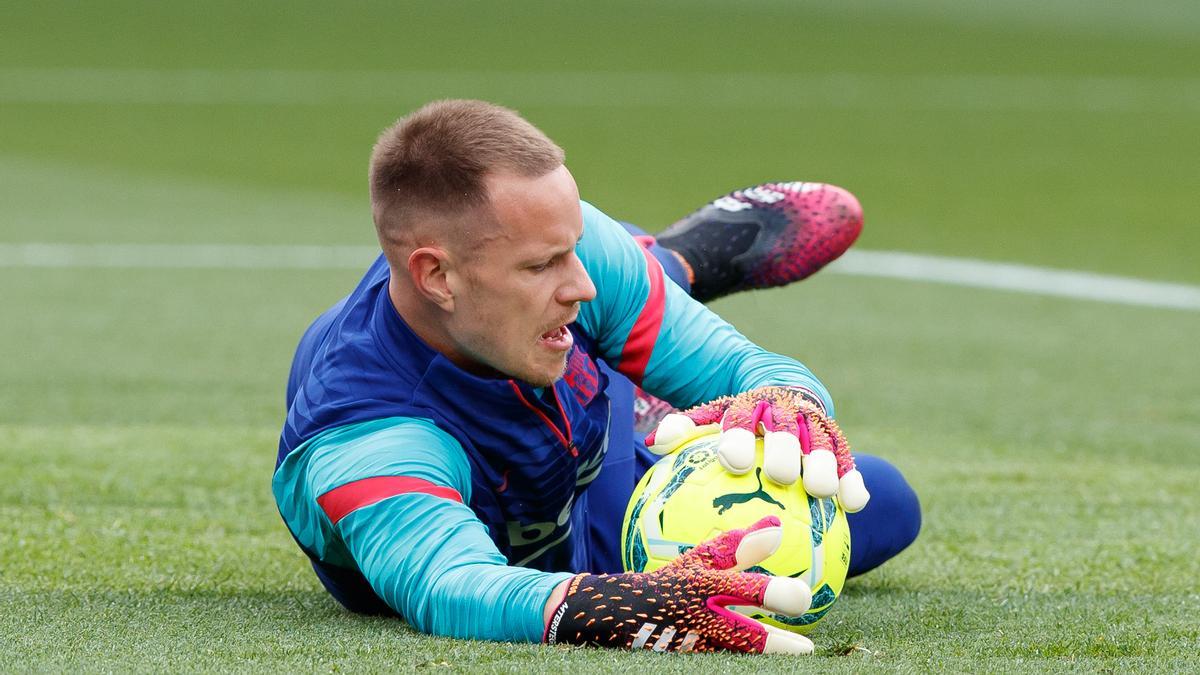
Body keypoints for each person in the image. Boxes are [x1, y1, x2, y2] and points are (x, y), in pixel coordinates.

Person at [273, 99, 920, 655]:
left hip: (573, 459)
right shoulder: (364, 432)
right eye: (542, 265)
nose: (579, 282)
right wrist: (636, 602)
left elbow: (750, 369)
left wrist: (791, 402)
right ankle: (661, 292)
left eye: (574, 247)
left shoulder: (580, 260)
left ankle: (660, 269)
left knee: (887, 501)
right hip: (548, 548)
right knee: (871, 515)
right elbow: (457, 587)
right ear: (437, 276)